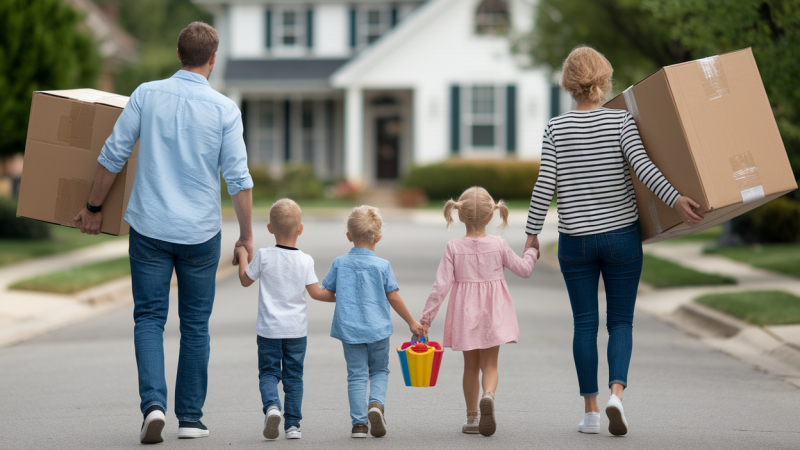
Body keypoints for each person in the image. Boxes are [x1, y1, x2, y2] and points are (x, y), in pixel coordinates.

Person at [72, 22, 255, 444]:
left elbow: (113, 155)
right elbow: (239, 180)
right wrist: (245, 236)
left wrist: (93, 208)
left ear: (178, 54)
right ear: (212, 59)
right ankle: (189, 419)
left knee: (149, 319)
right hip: (200, 234)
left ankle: (153, 407)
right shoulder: (225, 109)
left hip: (150, 227)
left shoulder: (145, 94)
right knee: (194, 325)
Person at [524, 46, 704, 436]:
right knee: (621, 322)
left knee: (584, 324)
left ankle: (590, 413)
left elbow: (545, 185)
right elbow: (644, 169)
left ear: (569, 85)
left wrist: (532, 233)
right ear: (603, 81)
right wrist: (677, 200)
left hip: (576, 242)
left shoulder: (556, 128)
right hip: (622, 236)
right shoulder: (621, 123)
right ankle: (616, 396)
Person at [419, 187, 538, 437]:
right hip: (494, 312)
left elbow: (440, 287)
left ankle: (472, 418)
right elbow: (525, 270)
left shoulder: (453, 247)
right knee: (490, 365)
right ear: (491, 215)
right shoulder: (499, 244)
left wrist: (425, 319)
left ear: (460, 215)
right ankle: (489, 395)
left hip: (465, 313)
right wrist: (532, 250)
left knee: (470, 367)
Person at [233, 199, 335, 440]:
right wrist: (342, 297)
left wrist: (241, 254)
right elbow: (316, 293)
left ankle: (271, 407)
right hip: (296, 331)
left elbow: (245, 280)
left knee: (268, 373)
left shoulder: (264, 255)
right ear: (300, 229)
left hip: (268, 330)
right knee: (293, 376)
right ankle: (293, 426)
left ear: (270, 228)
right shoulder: (305, 260)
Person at [320, 205, 424, 438]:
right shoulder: (383, 265)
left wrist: (328, 294)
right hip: (378, 330)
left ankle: (359, 425)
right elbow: (393, 296)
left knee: (356, 375)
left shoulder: (339, 263)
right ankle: (376, 404)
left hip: (350, 329)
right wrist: (412, 322)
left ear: (348, 236)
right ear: (378, 237)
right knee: (379, 370)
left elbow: (326, 292)